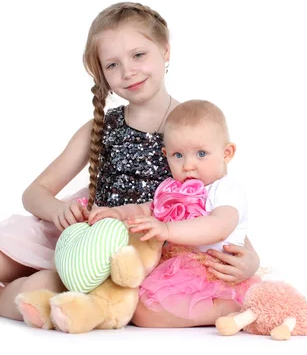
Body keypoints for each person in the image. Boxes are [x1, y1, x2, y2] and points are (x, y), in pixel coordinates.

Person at [0, 1, 261, 325]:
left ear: (165, 50)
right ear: (103, 73)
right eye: (113, 64)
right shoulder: (100, 128)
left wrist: (252, 258)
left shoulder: (195, 127)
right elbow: (34, 192)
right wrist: (56, 212)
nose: (128, 71)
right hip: (76, 232)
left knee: (34, 295)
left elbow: (220, 203)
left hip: (134, 256)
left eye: (139, 54)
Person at [88, 99, 261, 327]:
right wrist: (117, 213)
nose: (188, 165)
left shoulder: (226, 189)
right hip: (177, 268)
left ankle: (231, 306)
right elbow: (148, 207)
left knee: (144, 314)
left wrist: (167, 229)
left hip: (215, 273)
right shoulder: (171, 187)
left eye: (201, 154)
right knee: (134, 301)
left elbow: (219, 227)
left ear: (226, 153)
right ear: (165, 154)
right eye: (178, 155)